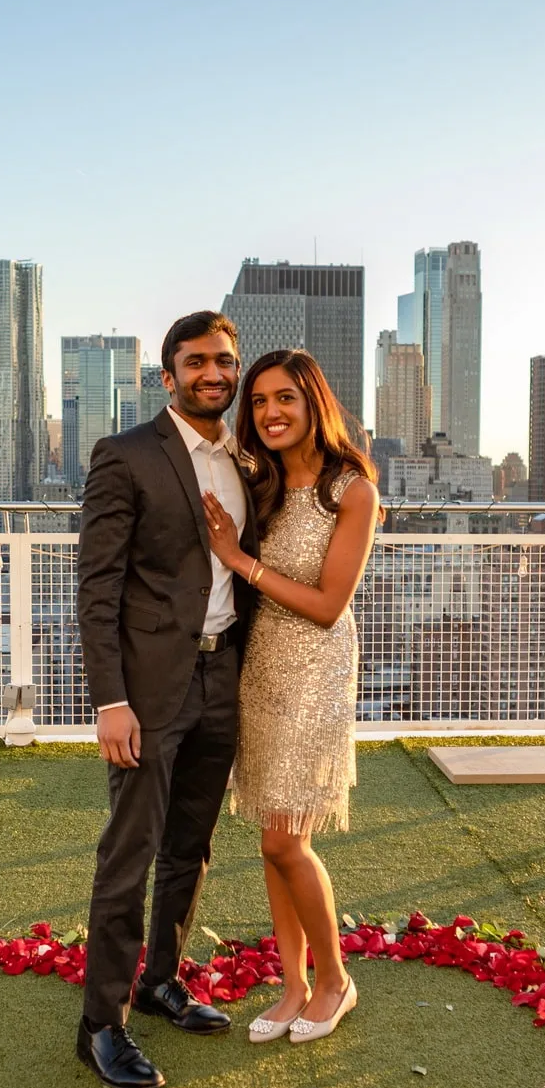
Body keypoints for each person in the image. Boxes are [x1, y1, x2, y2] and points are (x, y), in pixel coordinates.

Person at [74, 310, 259, 1088]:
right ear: (168, 375)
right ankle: (99, 1027)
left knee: (192, 844)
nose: (212, 373)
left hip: (225, 677)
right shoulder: (126, 456)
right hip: (149, 690)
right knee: (132, 852)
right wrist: (109, 699)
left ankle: (159, 981)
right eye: (195, 362)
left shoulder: (248, 460)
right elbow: (98, 586)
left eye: (223, 360)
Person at [199, 348, 380, 1044]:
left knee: (286, 839)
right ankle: (294, 985)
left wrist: (240, 559)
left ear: (314, 405)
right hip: (260, 667)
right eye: (261, 401)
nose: (271, 413)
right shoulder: (260, 482)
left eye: (286, 400)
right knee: (273, 841)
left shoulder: (351, 490)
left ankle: (335, 982)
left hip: (316, 671)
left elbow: (331, 604)